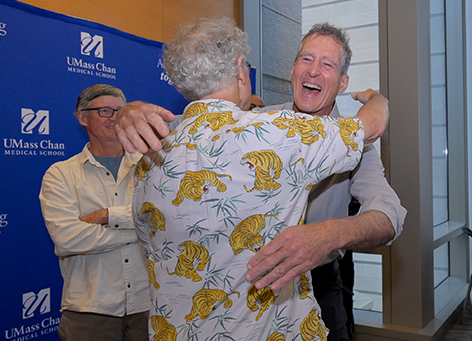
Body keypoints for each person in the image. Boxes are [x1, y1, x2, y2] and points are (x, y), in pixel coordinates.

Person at [115, 22, 406, 341]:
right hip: (247, 296)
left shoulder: (356, 146)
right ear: (292, 69)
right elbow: (205, 125)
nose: (313, 71)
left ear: (342, 81)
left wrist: (331, 234)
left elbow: (389, 216)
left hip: (318, 285)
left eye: (327, 64)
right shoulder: (268, 126)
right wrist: (127, 111)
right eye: (306, 59)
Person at [39, 84, 150, 341]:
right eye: (104, 111)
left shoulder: (150, 167)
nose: (114, 117)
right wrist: (142, 228)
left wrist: (106, 216)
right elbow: (68, 239)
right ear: (82, 118)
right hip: (90, 309)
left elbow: (166, 223)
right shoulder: (61, 174)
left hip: (148, 303)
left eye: (120, 111)